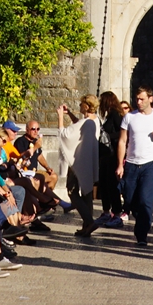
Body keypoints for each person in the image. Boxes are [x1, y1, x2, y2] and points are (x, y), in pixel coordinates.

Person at [116, 87, 153, 247]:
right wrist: (120, 164)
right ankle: (142, 220)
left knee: (146, 200)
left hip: (150, 165)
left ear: (150, 99)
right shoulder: (129, 117)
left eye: (142, 99)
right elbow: (122, 141)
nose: (138, 102)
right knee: (130, 200)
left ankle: (142, 235)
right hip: (131, 164)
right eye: (137, 99)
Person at [66, 97, 103, 237]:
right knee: (87, 193)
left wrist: (60, 118)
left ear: (87, 106)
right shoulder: (95, 120)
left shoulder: (87, 121)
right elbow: (79, 125)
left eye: (81, 103)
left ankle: (89, 221)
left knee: (72, 191)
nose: (79, 105)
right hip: (89, 161)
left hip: (78, 161)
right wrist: (69, 113)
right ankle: (86, 226)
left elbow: (67, 134)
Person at [97, 93, 127, 227]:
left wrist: (107, 136)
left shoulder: (115, 114)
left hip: (113, 154)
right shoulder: (110, 115)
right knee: (104, 184)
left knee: (112, 185)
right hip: (106, 156)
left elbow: (123, 132)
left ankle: (116, 213)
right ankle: (106, 211)